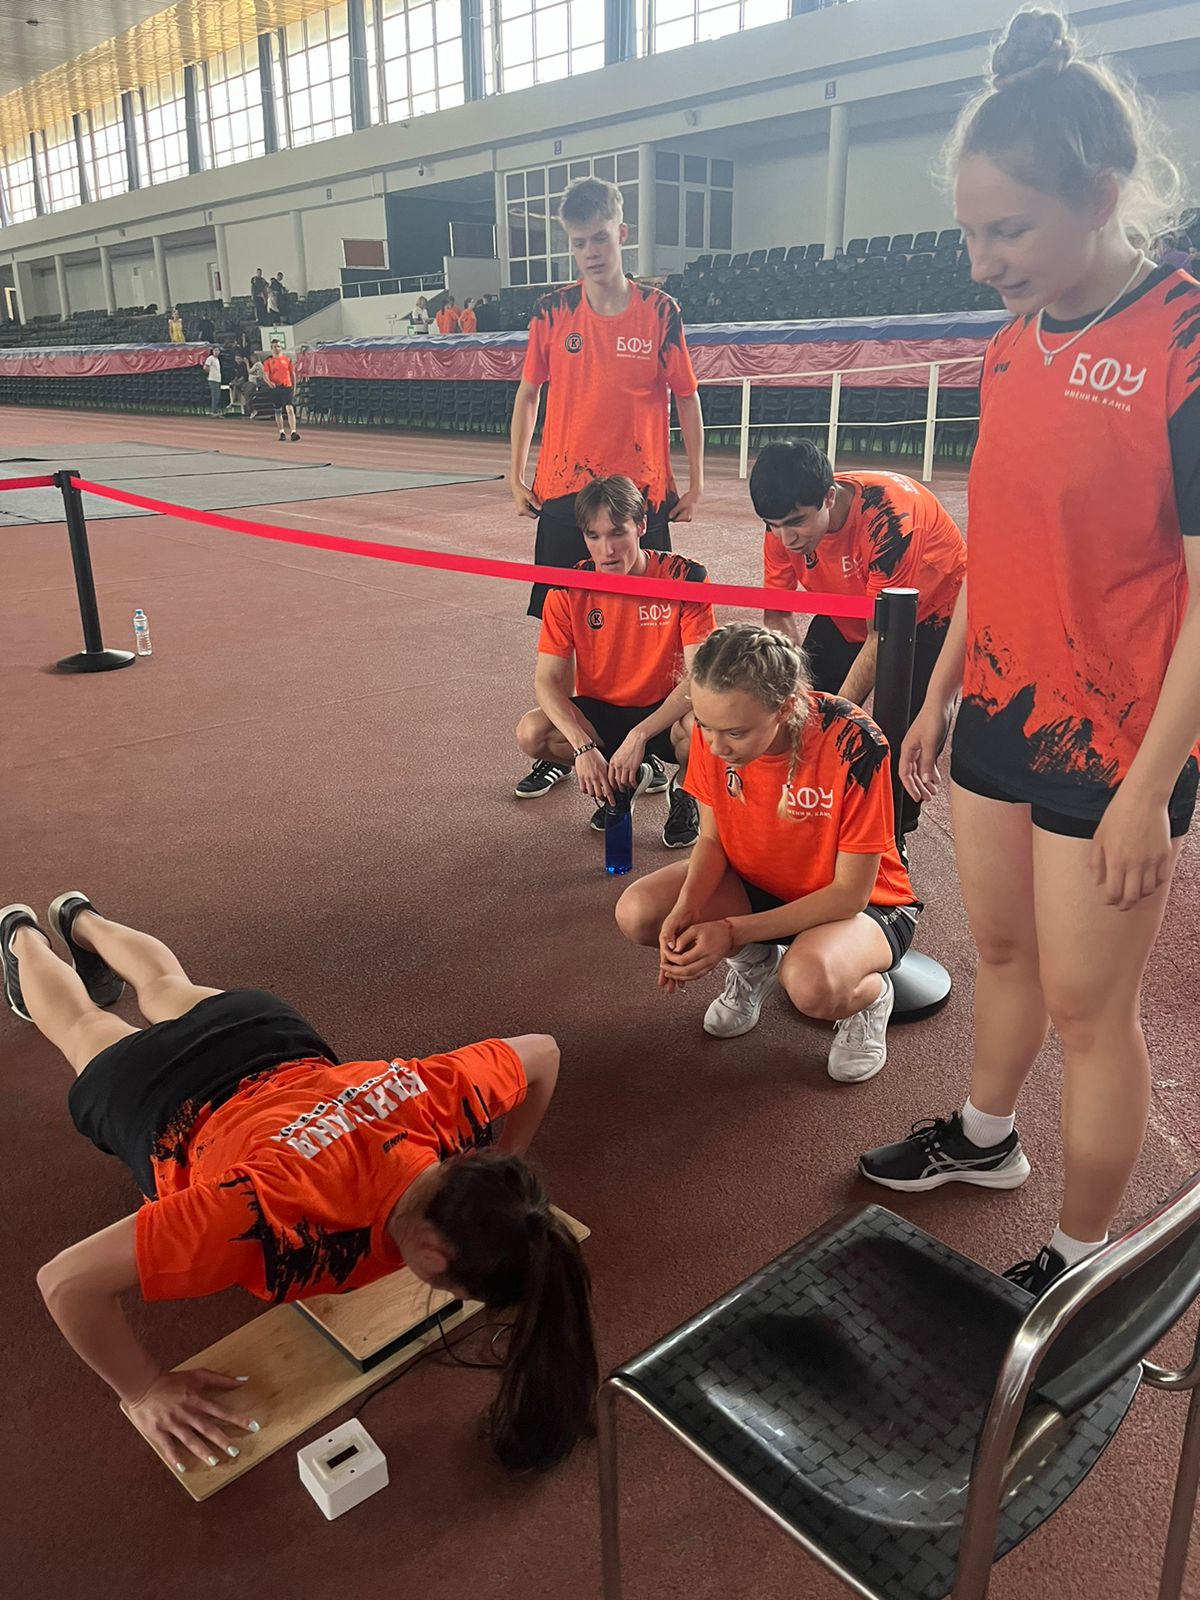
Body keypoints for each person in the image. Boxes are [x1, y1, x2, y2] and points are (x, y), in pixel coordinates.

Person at [857, 8, 1200, 1296]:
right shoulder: (1010, 348)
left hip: (1119, 746)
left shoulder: (1183, 341)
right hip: (1001, 709)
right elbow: (998, 549)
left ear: (1101, 195)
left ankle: (1080, 1258)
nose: (982, 259)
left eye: (1008, 230)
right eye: (970, 232)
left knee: (1089, 1010)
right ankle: (985, 1138)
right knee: (1000, 953)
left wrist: (1150, 790)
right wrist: (942, 690)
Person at [2, 893, 597, 1476]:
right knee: (85, 1026)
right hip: (161, 1099)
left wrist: (506, 1156)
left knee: (165, 986)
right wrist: (145, 1390)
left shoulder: (440, 1100)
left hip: (258, 1035)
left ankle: (80, 919)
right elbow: (66, 1282)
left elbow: (542, 1053)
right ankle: (20, 933)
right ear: (433, 1255)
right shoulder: (257, 1212)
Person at [614, 623, 919, 1082]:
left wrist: (730, 930)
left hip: (865, 905)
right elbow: (712, 841)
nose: (716, 746)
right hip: (757, 881)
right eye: (705, 726)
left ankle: (871, 999)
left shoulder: (853, 742)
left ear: (786, 707)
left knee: (810, 984)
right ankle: (756, 963)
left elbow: (849, 895)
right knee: (639, 913)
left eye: (735, 732)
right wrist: (687, 908)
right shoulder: (714, 734)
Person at [510, 175, 706, 796]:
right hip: (564, 489)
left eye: (599, 238)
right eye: (578, 242)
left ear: (622, 233)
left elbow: (687, 397)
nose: (591, 252)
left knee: (655, 626)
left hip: (638, 495)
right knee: (562, 625)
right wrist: (515, 470)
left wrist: (696, 481)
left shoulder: (661, 311)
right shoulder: (551, 312)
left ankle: (649, 746)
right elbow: (528, 392)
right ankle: (574, 746)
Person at [750, 440, 966, 834]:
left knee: (900, 734)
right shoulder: (782, 527)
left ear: (829, 497)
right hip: (849, 607)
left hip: (929, 616)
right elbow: (778, 614)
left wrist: (833, 717)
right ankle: (808, 811)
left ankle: (894, 833)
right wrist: (790, 692)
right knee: (795, 710)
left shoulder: (890, 520)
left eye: (795, 522)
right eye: (772, 525)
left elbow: (880, 637)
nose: (786, 539)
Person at [514, 475, 715, 848]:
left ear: (641, 526)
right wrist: (582, 747)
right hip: (602, 715)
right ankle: (623, 780)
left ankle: (685, 789)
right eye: (594, 536)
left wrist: (640, 734)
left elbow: (700, 676)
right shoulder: (566, 589)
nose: (606, 550)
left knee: (710, 728)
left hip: (666, 714)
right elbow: (547, 681)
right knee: (532, 732)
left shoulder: (685, 577)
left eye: (618, 533)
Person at [263, 338, 299, 442]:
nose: (277, 348)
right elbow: (265, 375)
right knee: (278, 410)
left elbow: (292, 374)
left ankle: (293, 431)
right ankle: (282, 431)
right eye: (275, 347)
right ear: (272, 348)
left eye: (278, 346)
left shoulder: (287, 359)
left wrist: (294, 386)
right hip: (275, 387)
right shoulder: (268, 361)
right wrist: (269, 383)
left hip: (287, 386)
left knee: (289, 408)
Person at [229, 350, 250, 415]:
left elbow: (244, 376)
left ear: (241, 359)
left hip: (245, 380)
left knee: (236, 385)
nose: (237, 360)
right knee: (231, 385)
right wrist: (233, 381)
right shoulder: (237, 366)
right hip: (239, 380)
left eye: (238, 358)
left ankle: (233, 401)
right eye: (236, 359)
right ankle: (232, 401)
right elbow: (237, 376)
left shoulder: (244, 365)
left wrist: (237, 382)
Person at [203, 348, 223, 416]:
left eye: (217, 350)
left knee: (217, 395)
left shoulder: (217, 360)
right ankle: (214, 411)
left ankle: (215, 410)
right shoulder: (210, 358)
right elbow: (205, 367)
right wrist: (210, 374)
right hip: (213, 379)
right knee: (215, 395)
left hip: (218, 379)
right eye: (215, 350)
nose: (216, 352)